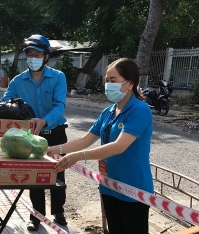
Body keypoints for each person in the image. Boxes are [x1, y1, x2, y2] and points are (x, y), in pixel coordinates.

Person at [47, 58, 154, 234]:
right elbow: (85, 140)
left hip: (133, 188)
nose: (108, 84)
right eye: (106, 80)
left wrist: (78, 156)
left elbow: (119, 146)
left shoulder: (139, 110)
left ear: (130, 84)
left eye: (113, 80)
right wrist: (56, 149)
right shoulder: (109, 111)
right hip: (109, 185)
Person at [0, 34, 69, 231]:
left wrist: (44, 120)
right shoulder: (18, 82)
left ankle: (59, 212)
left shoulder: (58, 77)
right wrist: (3, 112)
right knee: (34, 176)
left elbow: (60, 105)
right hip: (30, 137)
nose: (32, 58)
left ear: (46, 56)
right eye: (29, 54)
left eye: (37, 54)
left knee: (58, 174)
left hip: (55, 132)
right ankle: (36, 216)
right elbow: (5, 103)